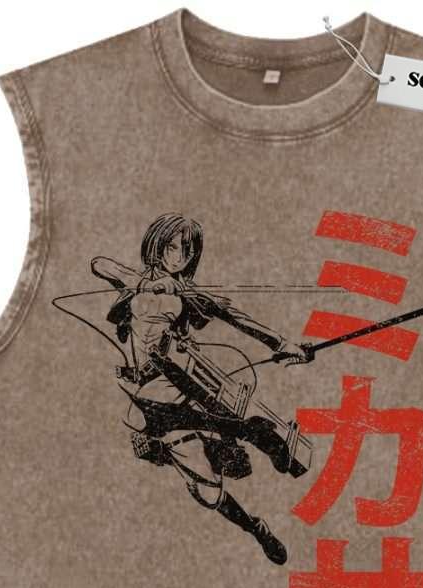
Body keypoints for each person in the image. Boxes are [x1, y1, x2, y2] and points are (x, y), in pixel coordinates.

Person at [91, 212, 309, 565]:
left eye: (187, 251)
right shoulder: (133, 282)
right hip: (147, 398)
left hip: (177, 385)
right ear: (157, 244)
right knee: (208, 492)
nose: (179, 256)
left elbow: (235, 316)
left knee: (204, 429)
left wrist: (282, 344)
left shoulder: (189, 294)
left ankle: (260, 436)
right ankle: (256, 528)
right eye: (173, 246)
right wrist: (145, 283)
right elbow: (99, 263)